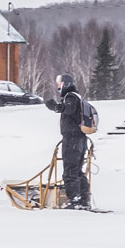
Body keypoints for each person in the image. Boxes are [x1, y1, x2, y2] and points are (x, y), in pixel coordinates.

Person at [42, 73, 90, 209]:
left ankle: (74, 201)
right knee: (77, 171)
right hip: (79, 139)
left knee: (70, 172)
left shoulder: (71, 97)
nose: (58, 87)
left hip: (73, 140)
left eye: (60, 84)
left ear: (66, 84)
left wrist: (55, 106)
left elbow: (68, 109)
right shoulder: (77, 97)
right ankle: (84, 201)